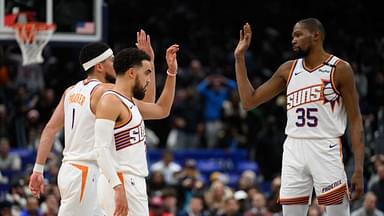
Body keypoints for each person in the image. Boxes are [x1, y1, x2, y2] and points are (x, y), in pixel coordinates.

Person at [234, 18, 364, 215]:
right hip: (293, 147)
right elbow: (248, 102)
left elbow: (355, 120)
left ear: (316, 35)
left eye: (298, 35)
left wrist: (359, 168)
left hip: (325, 146)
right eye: (292, 36)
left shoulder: (340, 69)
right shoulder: (288, 69)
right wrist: (239, 58)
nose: (293, 40)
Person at [28, 30, 155, 215]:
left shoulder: (71, 91)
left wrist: (38, 169)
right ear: (100, 67)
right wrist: (148, 63)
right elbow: (149, 106)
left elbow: (50, 129)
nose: (116, 64)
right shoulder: (106, 92)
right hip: (87, 172)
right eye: (112, 60)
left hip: (72, 169)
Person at [95, 44, 179, 215]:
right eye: (147, 72)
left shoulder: (129, 102)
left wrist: (171, 73)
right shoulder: (110, 101)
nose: (149, 78)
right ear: (132, 73)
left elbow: (162, 110)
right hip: (121, 181)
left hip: (131, 181)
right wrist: (118, 188)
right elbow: (100, 149)